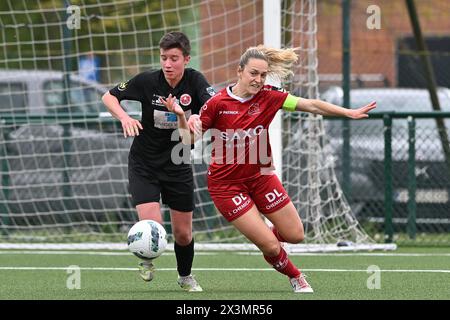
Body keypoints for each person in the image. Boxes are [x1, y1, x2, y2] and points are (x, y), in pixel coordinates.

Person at [160, 45, 376, 293]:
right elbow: (188, 141)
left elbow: (312, 105)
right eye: (253, 73)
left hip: (261, 178)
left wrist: (348, 112)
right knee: (273, 248)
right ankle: (296, 276)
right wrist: (179, 116)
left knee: (295, 235)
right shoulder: (217, 103)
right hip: (226, 187)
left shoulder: (270, 96)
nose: (258, 80)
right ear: (239, 71)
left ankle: (266, 237)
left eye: (263, 75)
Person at [102, 31, 215, 292]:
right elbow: (108, 96)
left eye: (174, 58)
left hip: (178, 165)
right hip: (144, 164)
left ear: (186, 59)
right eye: (164, 57)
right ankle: (146, 257)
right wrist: (124, 118)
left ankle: (185, 276)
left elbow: (193, 134)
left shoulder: (196, 82)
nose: (167, 64)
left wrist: (193, 118)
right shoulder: (147, 81)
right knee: (153, 229)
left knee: (183, 233)